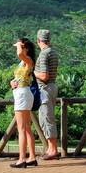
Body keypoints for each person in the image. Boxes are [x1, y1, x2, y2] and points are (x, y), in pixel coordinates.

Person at [9, 37, 40, 169]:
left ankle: (22, 159)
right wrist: (12, 82)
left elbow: (20, 54)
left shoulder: (28, 60)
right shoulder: (22, 63)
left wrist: (18, 46)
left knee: (21, 128)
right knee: (26, 128)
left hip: (23, 95)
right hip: (22, 93)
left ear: (25, 48)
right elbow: (21, 78)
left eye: (21, 45)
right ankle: (32, 157)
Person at [33, 29, 60, 160]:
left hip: (45, 89)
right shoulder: (53, 52)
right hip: (51, 87)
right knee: (46, 117)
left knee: (47, 118)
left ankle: (53, 150)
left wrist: (32, 72)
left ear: (38, 40)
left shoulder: (44, 54)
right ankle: (50, 149)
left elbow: (44, 75)